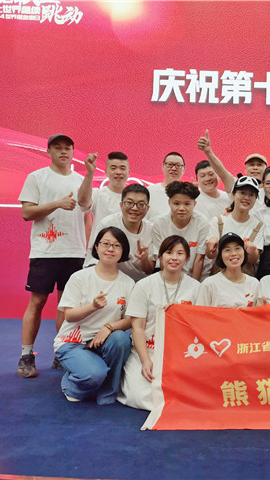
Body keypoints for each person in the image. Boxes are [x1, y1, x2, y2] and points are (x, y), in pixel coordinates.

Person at [17, 134, 94, 378]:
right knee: (37, 302)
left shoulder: (81, 180)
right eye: (57, 148)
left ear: (73, 152)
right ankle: (26, 356)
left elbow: (86, 216)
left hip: (75, 252)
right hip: (46, 252)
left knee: (66, 305)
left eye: (67, 148)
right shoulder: (37, 177)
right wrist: (57, 204)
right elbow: (27, 213)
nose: (63, 152)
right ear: (48, 151)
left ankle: (61, 353)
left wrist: (87, 248)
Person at [118, 235, 200, 411]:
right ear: (161, 257)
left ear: (187, 258)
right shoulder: (144, 285)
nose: (174, 258)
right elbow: (137, 328)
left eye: (180, 253)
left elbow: (199, 327)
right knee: (140, 395)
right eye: (169, 253)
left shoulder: (196, 287)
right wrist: (145, 360)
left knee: (187, 392)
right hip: (149, 349)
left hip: (181, 352)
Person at [54, 226, 134, 403]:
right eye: (105, 244)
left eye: (117, 245)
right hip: (74, 342)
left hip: (104, 342)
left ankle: (107, 392)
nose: (110, 249)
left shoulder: (128, 283)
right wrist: (93, 307)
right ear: (96, 247)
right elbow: (69, 316)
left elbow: (131, 319)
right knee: (93, 375)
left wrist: (109, 327)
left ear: (123, 251)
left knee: (121, 339)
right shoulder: (79, 277)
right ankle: (71, 383)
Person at [89, 184, 154, 282]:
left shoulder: (152, 230)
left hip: (140, 283)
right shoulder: (107, 224)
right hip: (110, 280)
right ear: (121, 205)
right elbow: (96, 258)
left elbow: (150, 270)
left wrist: (144, 259)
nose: (134, 208)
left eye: (141, 204)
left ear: (147, 208)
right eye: (129, 203)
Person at [204, 176, 264, 278]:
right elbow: (210, 255)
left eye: (251, 194)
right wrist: (211, 247)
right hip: (220, 280)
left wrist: (252, 251)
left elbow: (252, 261)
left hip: (245, 281)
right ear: (233, 194)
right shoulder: (218, 221)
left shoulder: (258, 225)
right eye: (242, 193)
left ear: (255, 199)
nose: (246, 197)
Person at [197, 129, 267, 212]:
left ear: (266, 168)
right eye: (251, 165)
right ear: (245, 169)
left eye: (259, 165)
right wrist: (208, 152)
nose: (255, 168)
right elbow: (222, 172)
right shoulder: (237, 186)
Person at [82, 151, 131, 268]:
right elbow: (83, 202)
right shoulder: (98, 194)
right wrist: (90, 173)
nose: (118, 172)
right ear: (106, 172)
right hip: (97, 262)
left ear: (129, 172)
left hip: (127, 264)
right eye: (113, 168)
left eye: (122, 168)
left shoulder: (135, 199)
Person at [151, 181, 209, 280]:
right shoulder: (159, 224)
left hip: (192, 277)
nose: (181, 208)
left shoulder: (202, 223)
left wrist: (194, 285)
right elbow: (161, 258)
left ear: (194, 204)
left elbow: (199, 258)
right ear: (169, 203)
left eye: (187, 204)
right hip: (167, 276)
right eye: (176, 204)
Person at [197, 233, 260, 307]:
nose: (233, 253)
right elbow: (200, 312)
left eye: (237, 248)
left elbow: (258, 312)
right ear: (220, 256)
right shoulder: (209, 284)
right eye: (227, 250)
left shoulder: (254, 284)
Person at [146, 152, 186, 220]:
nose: (174, 168)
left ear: (184, 168)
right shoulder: (149, 191)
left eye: (178, 165)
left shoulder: (189, 194)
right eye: (170, 164)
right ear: (163, 166)